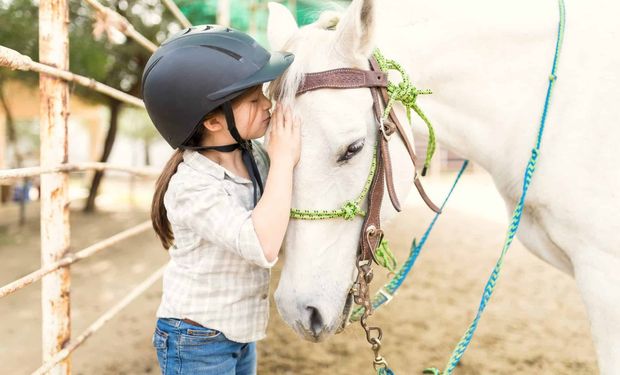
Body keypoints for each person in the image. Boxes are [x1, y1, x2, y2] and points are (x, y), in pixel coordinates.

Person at [141, 25, 300, 375]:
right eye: (254, 100)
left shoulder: (254, 157)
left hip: (238, 331)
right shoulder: (191, 187)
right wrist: (285, 159)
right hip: (196, 339)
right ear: (213, 120)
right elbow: (263, 245)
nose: (267, 104)